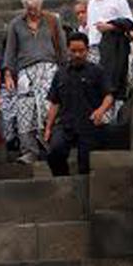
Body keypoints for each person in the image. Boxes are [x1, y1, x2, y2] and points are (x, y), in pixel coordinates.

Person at [2, 0, 64, 163]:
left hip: (49, 68)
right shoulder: (16, 24)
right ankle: (29, 150)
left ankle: (50, 146)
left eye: (35, 8)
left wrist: (64, 69)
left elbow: (62, 46)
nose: (33, 12)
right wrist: (8, 74)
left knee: (47, 108)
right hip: (25, 71)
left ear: (41, 5)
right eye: (29, 8)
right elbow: (10, 51)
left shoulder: (52, 21)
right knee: (25, 111)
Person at [44, 32, 114, 176]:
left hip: (88, 124)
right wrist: (48, 127)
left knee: (85, 164)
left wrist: (101, 110)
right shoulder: (61, 73)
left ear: (87, 50)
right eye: (73, 51)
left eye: (81, 51)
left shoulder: (97, 71)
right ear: (68, 50)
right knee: (54, 152)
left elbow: (109, 96)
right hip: (65, 124)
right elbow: (55, 102)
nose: (77, 55)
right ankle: (62, 181)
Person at [83, 0, 133, 103]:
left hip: (111, 50)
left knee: (109, 86)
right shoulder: (91, 3)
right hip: (92, 49)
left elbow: (130, 23)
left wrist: (110, 26)